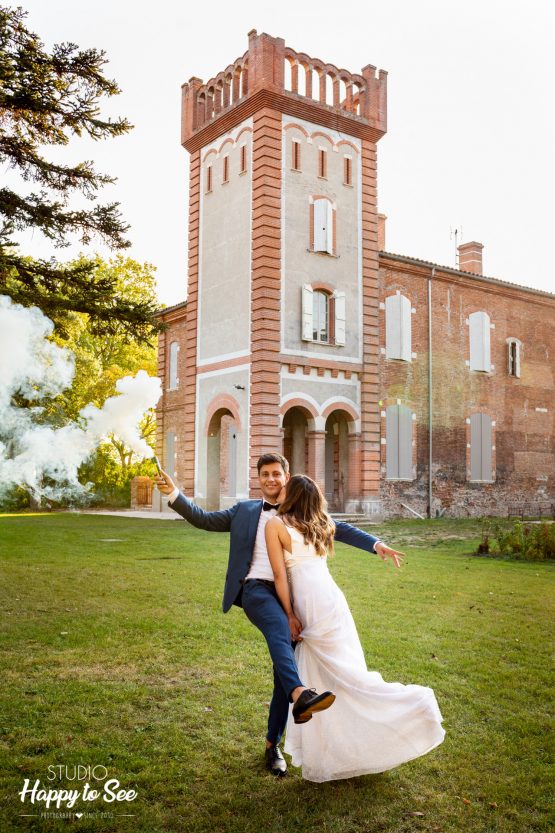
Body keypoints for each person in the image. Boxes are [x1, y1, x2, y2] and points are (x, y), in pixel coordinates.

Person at [155, 453, 405, 777]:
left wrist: (376, 544)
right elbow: (204, 519)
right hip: (256, 589)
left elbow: (338, 528)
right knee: (278, 627)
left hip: (292, 594)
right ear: (259, 478)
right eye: (265, 474)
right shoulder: (244, 511)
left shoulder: (300, 511)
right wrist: (174, 494)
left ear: (287, 477)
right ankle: (300, 694)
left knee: (283, 671)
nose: (271, 479)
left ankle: (272, 744)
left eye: (276, 473)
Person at [265, 474, 446, 783]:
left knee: (329, 675)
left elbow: (280, 576)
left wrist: (290, 614)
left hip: (310, 606)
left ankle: (407, 707)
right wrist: (377, 544)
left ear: (292, 495)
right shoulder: (320, 523)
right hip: (332, 603)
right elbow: (343, 530)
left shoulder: (276, 525)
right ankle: (343, 744)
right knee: (343, 673)